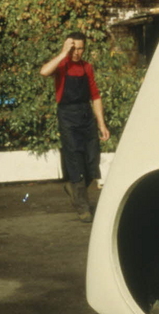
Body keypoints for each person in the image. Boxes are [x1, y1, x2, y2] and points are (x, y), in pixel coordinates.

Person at [40, 32, 110, 223]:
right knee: (75, 160)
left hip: (86, 115)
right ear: (68, 47)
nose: (77, 52)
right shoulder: (62, 65)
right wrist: (63, 53)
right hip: (68, 116)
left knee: (91, 159)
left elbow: (95, 96)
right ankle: (83, 207)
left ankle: (73, 188)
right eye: (74, 48)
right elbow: (44, 71)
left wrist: (101, 124)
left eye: (80, 48)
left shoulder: (87, 67)